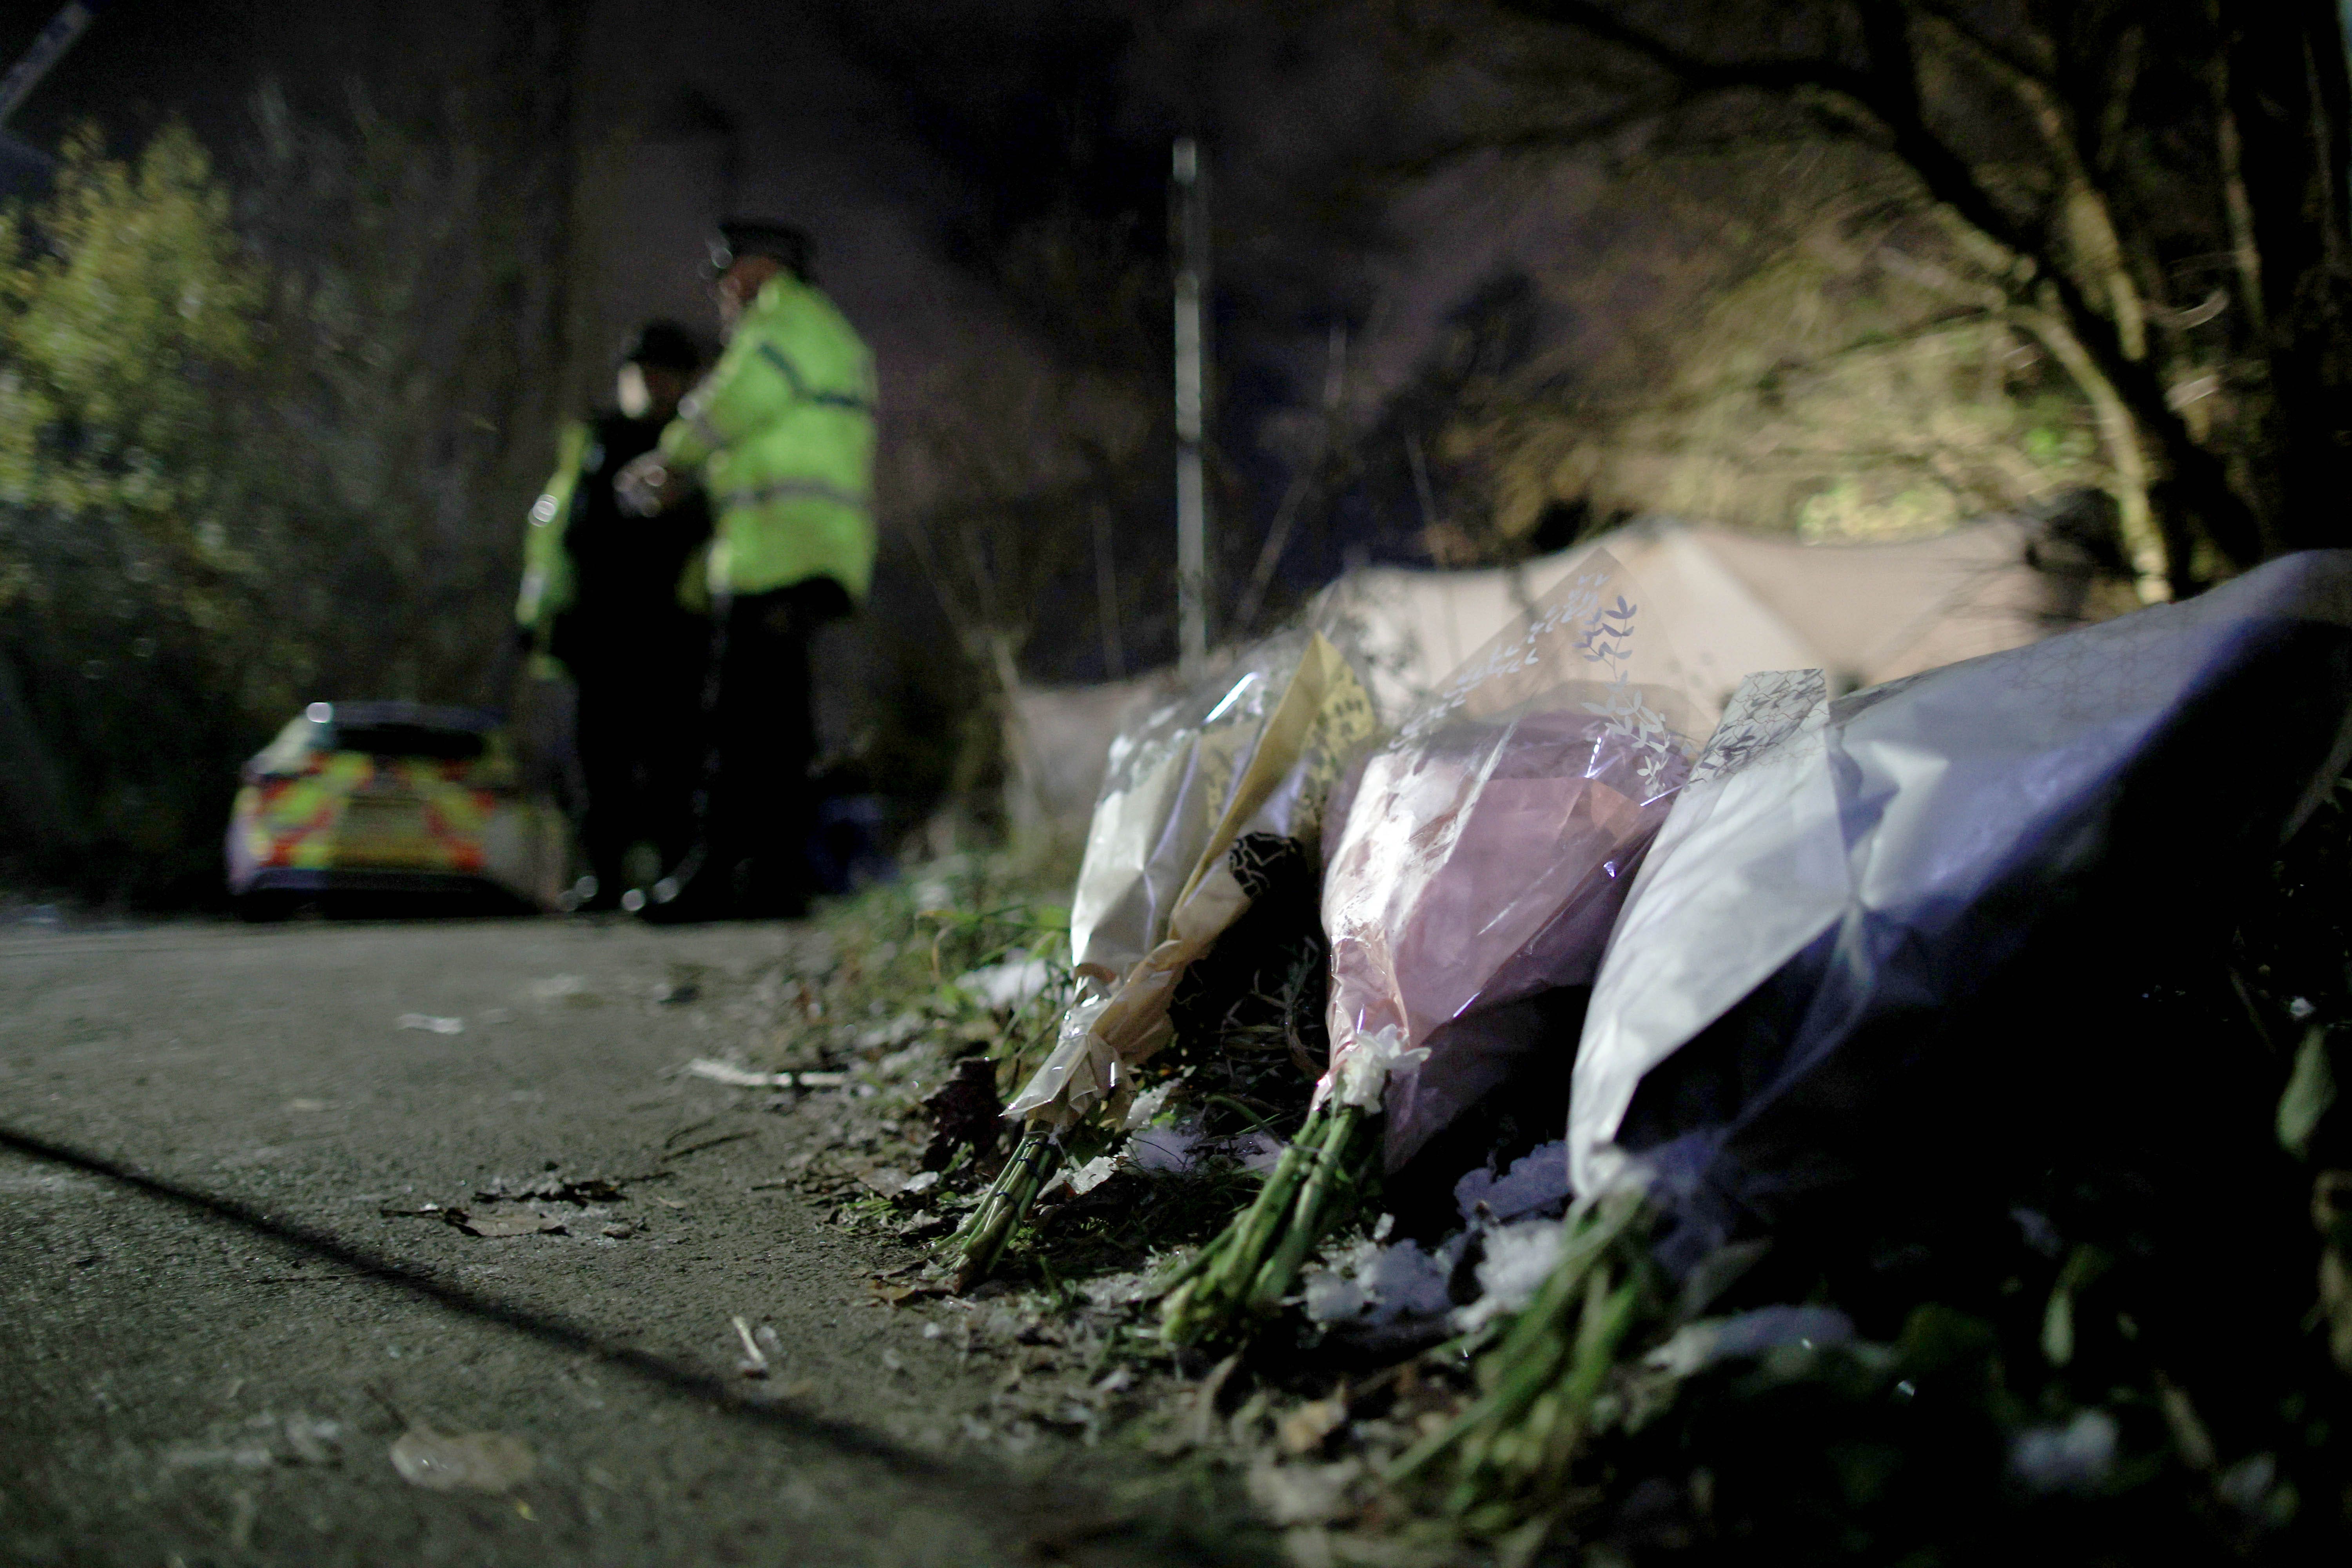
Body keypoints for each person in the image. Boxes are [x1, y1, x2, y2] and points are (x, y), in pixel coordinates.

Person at [616, 220, 878, 921]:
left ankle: (717, 876)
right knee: (776, 726)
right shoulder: (827, 332)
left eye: (729, 277)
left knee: (741, 725)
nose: (724, 295)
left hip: (779, 555)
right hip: (807, 550)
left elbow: (730, 405)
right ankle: (767, 879)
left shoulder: (784, 324)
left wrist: (670, 460)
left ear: (759, 272)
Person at [515, 321, 715, 912]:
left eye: (665, 374)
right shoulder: (595, 439)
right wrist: (538, 614)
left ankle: (672, 875)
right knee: (596, 758)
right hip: (598, 627)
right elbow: (556, 534)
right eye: (642, 373)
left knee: (672, 759)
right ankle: (603, 875)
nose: (652, 386)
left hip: (673, 628)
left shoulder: (698, 449)